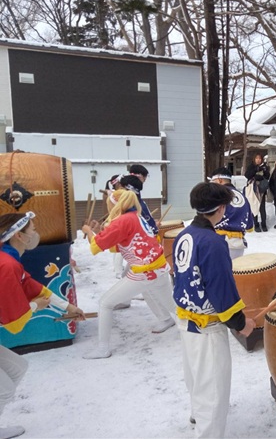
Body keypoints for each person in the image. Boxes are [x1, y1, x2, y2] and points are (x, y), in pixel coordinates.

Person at [172, 182, 255, 438]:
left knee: (197, 377)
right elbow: (221, 290)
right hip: (207, 325)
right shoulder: (213, 243)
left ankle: (197, 414)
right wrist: (240, 323)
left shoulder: (184, 234)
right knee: (213, 390)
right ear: (220, 209)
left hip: (186, 319)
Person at [0, 212, 84, 439]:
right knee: (4, 390)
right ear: (19, 235)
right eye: (33, 229)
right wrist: (36, 306)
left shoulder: (9, 259)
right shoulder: (6, 265)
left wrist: (68, 307)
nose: (36, 233)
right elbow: (15, 323)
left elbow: (35, 287)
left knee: (17, 368)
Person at [81, 189, 176, 359]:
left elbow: (96, 246)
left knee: (105, 303)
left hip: (144, 271)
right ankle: (190, 328)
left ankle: (103, 348)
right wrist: (99, 231)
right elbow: (116, 242)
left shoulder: (123, 220)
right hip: (159, 267)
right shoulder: (135, 216)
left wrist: (88, 231)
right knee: (173, 307)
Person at [209, 167, 254, 259]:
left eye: (213, 182)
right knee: (234, 268)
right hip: (238, 245)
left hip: (219, 242)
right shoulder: (243, 197)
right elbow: (249, 226)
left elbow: (207, 218)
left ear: (220, 180)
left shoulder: (217, 195)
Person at [244, 154, 270, 232]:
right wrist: (256, 170)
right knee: (254, 206)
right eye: (256, 158)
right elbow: (247, 175)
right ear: (254, 159)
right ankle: (256, 224)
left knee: (262, 208)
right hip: (253, 190)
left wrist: (264, 171)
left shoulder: (264, 166)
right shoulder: (251, 166)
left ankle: (264, 224)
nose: (258, 160)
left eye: (259, 158)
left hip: (262, 190)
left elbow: (267, 176)